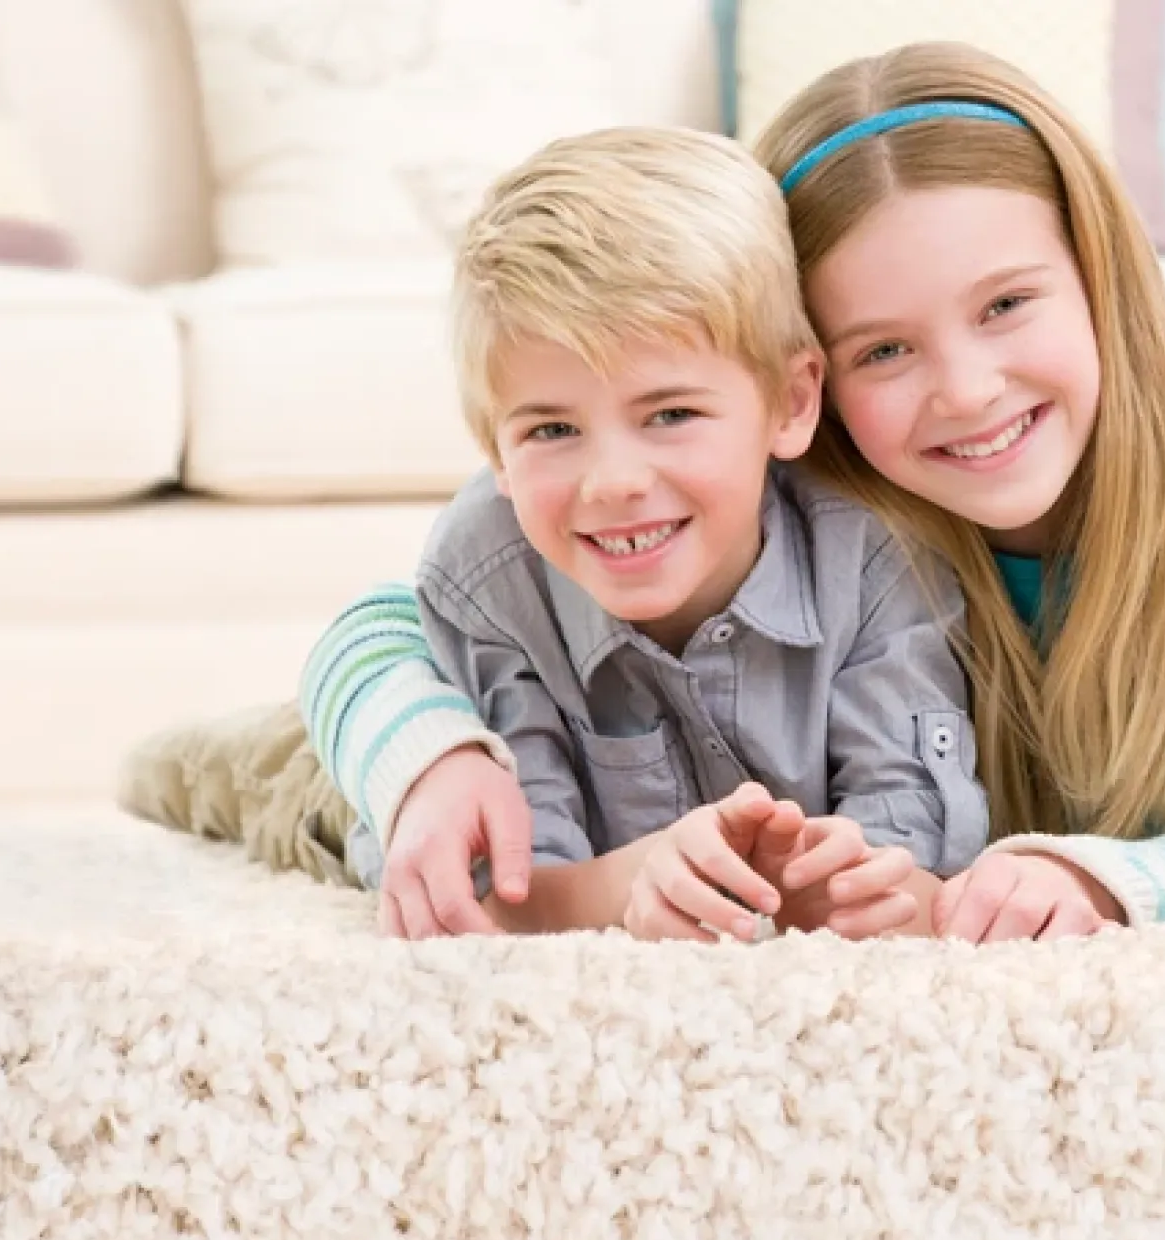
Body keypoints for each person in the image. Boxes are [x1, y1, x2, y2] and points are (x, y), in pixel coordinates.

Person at [301, 25, 1165, 942]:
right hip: (1102, 644)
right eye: (888, 349)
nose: (964, 392)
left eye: (1010, 303)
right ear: (800, 380)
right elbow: (410, 609)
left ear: (1097, 274)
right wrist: (426, 753)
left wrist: (1100, 886)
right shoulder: (794, 464)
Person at [309, 125, 994, 941]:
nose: (614, 481)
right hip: (346, 776)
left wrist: (834, 890)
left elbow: (920, 862)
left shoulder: (872, 556)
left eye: (670, 414)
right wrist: (640, 881)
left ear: (792, 400)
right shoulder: (490, 570)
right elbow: (496, 896)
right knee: (235, 773)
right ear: (493, 444)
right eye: (551, 430)